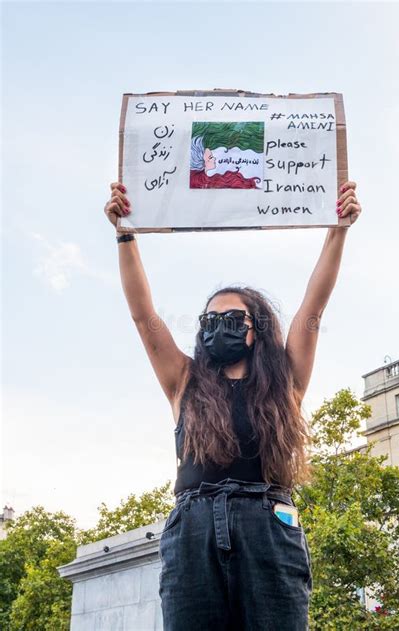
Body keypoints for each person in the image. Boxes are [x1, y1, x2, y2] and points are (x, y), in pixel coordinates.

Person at [103, 181, 362, 630]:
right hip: (193, 532)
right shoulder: (183, 381)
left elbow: (313, 307)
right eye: (209, 320)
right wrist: (125, 233)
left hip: (268, 528)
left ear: (256, 327)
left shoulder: (286, 380)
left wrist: (338, 229)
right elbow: (144, 316)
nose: (217, 327)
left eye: (231, 319)